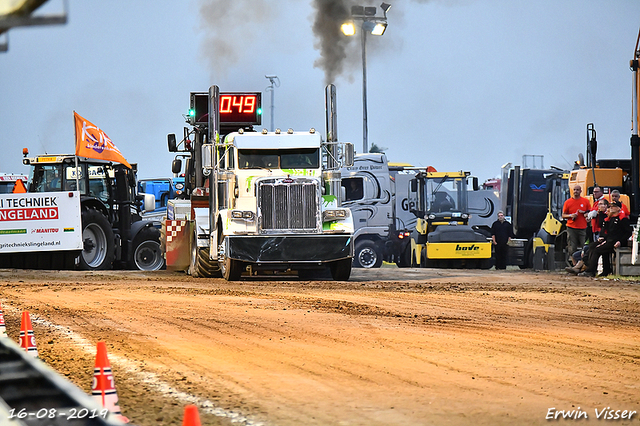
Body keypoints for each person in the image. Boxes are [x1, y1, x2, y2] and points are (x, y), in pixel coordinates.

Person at [579, 200, 632, 277]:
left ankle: (591, 270)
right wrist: (603, 236)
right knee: (592, 246)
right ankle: (593, 267)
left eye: (613, 207)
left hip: (616, 241)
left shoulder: (623, 219)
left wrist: (620, 241)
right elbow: (605, 230)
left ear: (618, 208)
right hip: (609, 239)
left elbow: (628, 232)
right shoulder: (610, 219)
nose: (610, 208)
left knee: (598, 249)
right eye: (610, 206)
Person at [562, 185, 591, 257]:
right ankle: (574, 263)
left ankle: (584, 263)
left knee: (584, 245)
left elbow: (589, 212)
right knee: (572, 246)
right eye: (574, 190)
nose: (576, 191)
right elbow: (563, 215)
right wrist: (570, 216)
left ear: (581, 191)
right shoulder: (568, 202)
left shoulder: (585, 201)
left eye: (577, 190)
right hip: (571, 227)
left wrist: (584, 213)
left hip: (583, 227)